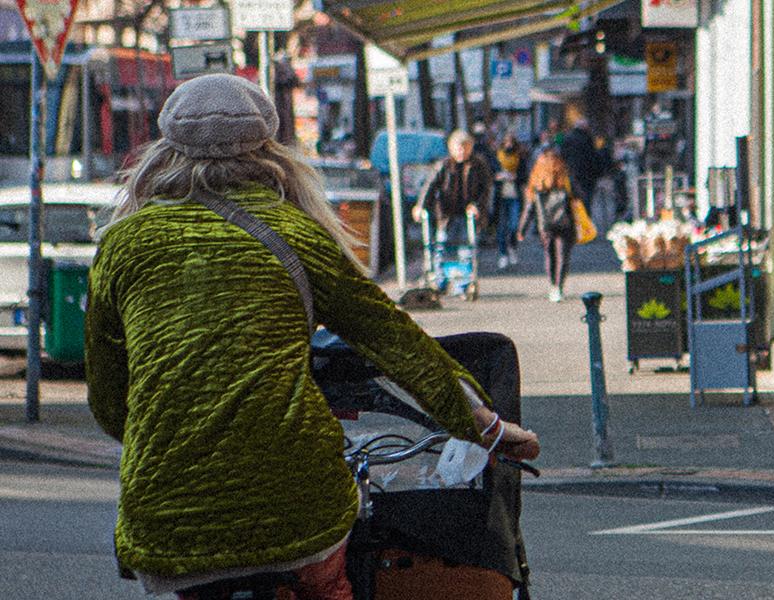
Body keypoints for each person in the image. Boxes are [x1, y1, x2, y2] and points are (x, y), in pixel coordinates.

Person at [83, 74, 541, 600]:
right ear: (268, 150)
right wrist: (488, 426)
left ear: (163, 150)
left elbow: (109, 400)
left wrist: (178, 439)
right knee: (325, 580)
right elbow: (398, 345)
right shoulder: (297, 235)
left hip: (166, 514)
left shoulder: (122, 245)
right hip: (295, 502)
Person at [416, 130, 494, 265]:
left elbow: (485, 189)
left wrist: (477, 205)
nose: (462, 152)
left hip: (468, 214)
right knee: (442, 246)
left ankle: (463, 281)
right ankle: (439, 277)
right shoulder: (443, 165)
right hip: (447, 214)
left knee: (466, 250)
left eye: (466, 148)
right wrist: (420, 206)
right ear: (451, 149)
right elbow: (430, 186)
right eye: (458, 148)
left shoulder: (478, 165)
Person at [520, 148, 579, 302]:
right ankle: (559, 287)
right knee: (562, 256)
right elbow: (579, 196)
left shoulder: (536, 183)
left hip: (545, 225)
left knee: (550, 254)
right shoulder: (565, 180)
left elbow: (529, 208)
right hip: (566, 223)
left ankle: (553, 285)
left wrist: (522, 229)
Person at [494, 133, 527, 268]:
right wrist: (498, 177)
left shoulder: (520, 158)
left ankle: (512, 248)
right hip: (500, 197)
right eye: (506, 142)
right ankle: (503, 254)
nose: (509, 145)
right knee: (501, 227)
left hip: (515, 196)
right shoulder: (497, 157)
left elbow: (525, 175)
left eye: (511, 142)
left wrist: (516, 177)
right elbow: (490, 174)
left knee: (514, 226)